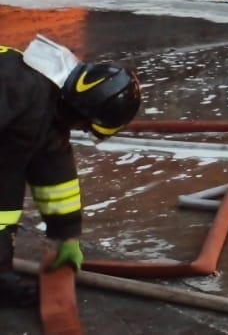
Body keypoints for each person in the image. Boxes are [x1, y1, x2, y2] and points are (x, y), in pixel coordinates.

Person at [0, 35, 142, 306]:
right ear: (82, 109)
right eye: (85, 125)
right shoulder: (17, 86)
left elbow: (54, 174)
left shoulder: (48, 107)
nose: (79, 130)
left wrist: (67, 236)